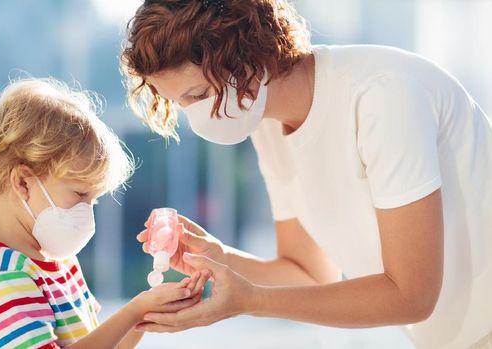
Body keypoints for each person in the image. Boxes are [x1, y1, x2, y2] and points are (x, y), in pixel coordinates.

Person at [120, 0, 492, 348]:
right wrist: (221, 259)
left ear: (247, 53)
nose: (194, 117)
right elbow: (309, 274)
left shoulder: (382, 95)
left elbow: (412, 296)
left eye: (198, 95)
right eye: (180, 104)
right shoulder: (267, 123)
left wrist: (252, 301)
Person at [0, 78, 210, 348]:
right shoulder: (4, 277)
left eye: (94, 200)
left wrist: (147, 312)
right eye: (79, 194)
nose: (86, 212)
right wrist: (134, 310)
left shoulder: (60, 261)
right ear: (23, 183)